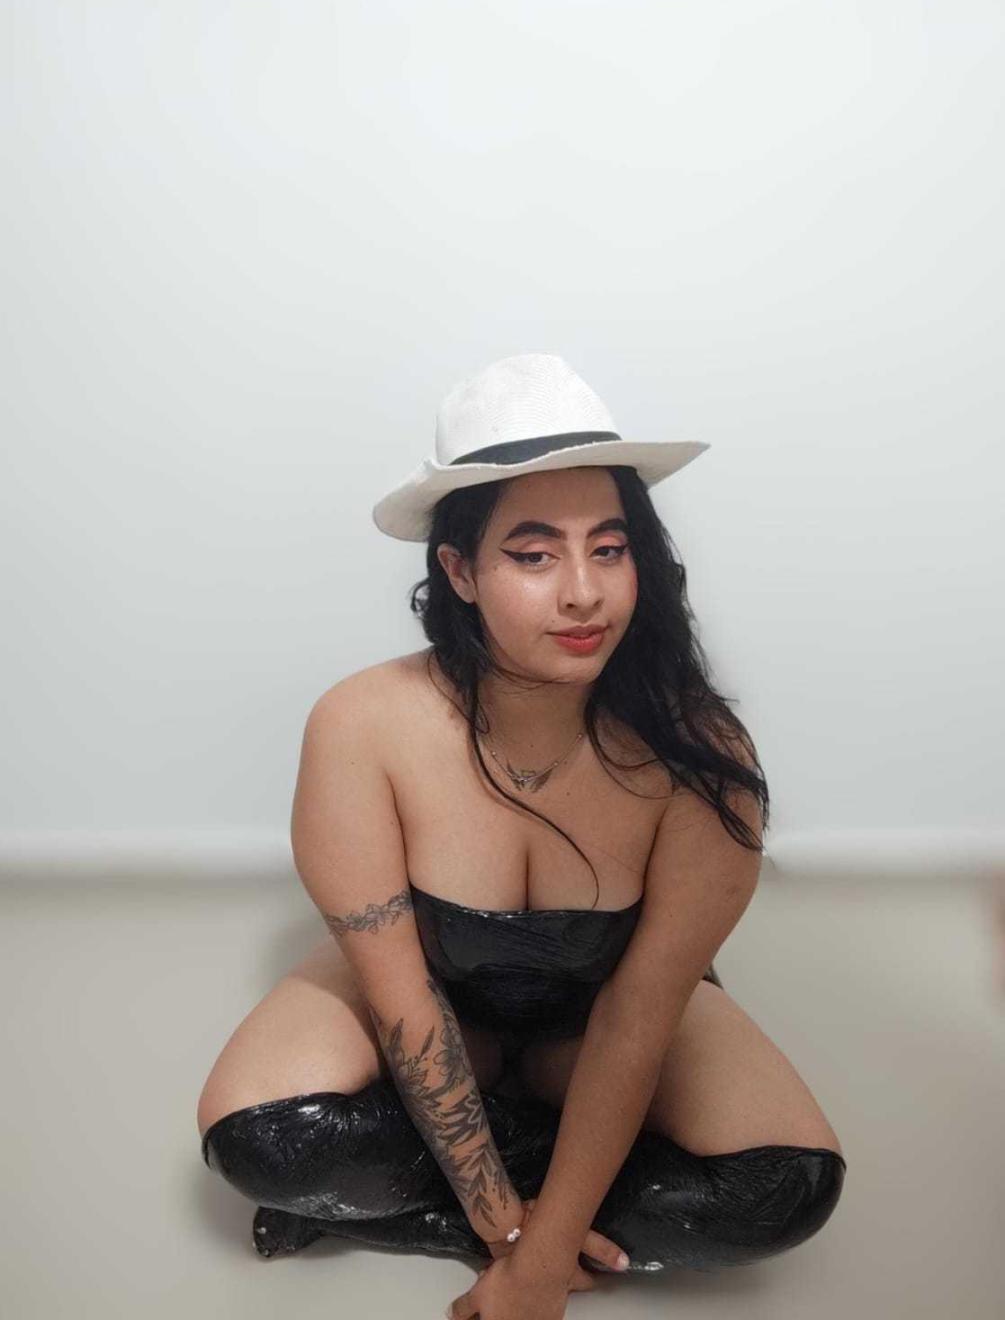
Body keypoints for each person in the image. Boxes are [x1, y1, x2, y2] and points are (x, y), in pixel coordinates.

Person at [197, 353, 846, 1306]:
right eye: (534, 556)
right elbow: (402, 999)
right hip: (428, 996)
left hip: (600, 1021)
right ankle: (507, 1209)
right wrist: (508, 1229)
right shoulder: (362, 725)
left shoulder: (698, 752)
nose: (582, 593)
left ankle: (393, 1202)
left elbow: (636, 1015)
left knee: (783, 1191)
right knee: (259, 1140)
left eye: (608, 549)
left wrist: (540, 1262)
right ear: (459, 570)